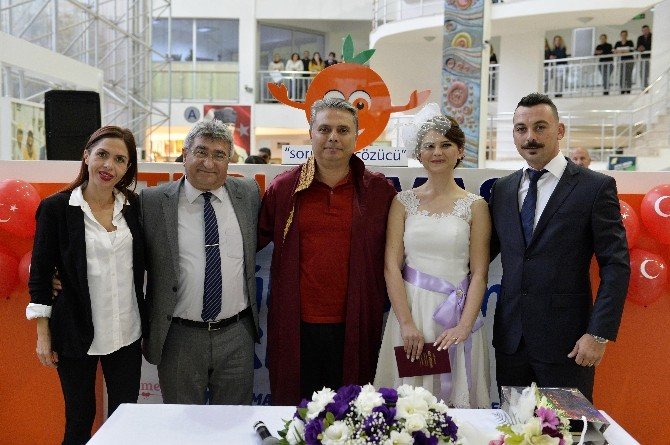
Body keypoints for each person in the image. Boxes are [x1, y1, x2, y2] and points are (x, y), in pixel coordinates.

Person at [488, 93, 630, 401]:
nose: (530, 137)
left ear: (560, 130)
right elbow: (483, 254)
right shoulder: (503, 189)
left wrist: (598, 334)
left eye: (540, 127)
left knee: (571, 426)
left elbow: (616, 265)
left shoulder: (595, 187)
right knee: (514, 424)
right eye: (521, 129)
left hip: (570, 345)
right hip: (511, 343)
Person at [257, 98, 397, 405]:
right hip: (296, 326)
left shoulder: (379, 192)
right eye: (324, 129)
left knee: (352, 413)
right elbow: (246, 244)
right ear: (311, 133)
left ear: (356, 137)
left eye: (343, 130)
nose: (333, 137)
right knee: (297, 414)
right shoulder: (284, 189)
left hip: (356, 325)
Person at [27, 126, 147, 444]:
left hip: (127, 331)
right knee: (80, 419)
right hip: (75, 331)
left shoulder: (134, 207)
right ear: (86, 156)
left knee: (124, 419)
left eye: (119, 160)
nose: (109, 165)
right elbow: (40, 274)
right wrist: (43, 334)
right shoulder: (56, 209)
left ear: (127, 168)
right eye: (102, 155)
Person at [374, 107, 491, 408]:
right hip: (412, 310)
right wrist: (406, 323)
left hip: (457, 313)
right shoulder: (403, 202)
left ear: (460, 150)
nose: (437, 152)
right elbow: (391, 267)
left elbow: (479, 273)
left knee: (454, 404)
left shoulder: (475, 205)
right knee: (406, 405)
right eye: (429, 145)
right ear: (419, 153)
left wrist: (464, 326)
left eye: (445, 145)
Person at [141, 120, 261, 405]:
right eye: (201, 152)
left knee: (234, 423)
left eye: (219, 155)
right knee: (182, 424)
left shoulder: (248, 194)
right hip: (178, 337)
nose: (209, 163)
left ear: (229, 160)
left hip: (237, 336)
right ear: (185, 155)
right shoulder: (152, 202)